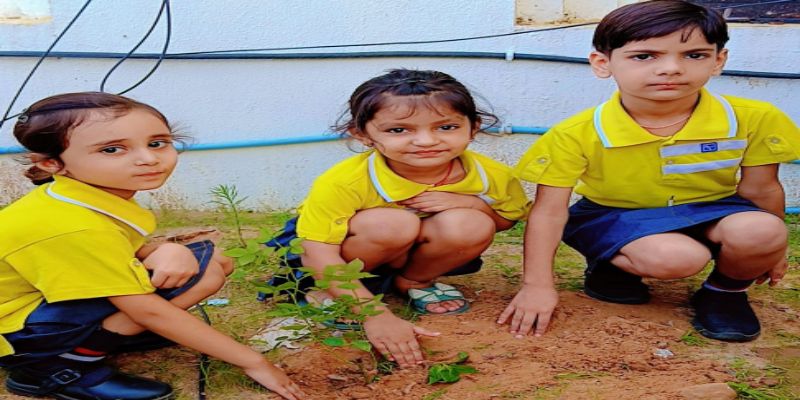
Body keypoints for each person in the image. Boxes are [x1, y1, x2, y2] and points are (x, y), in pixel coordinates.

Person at [500, 0, 800, 342]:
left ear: (718, 60)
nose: (671, 69)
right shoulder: (576, 133)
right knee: (676, 258)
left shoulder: (754, 118)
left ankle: (724, 293)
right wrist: (537, 286)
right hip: (615, 214)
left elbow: (761, 189)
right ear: (602, 63)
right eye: (644, 56)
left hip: (713, 209)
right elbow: (549, 212)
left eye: (694, 55)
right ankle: (610, 264)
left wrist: (773, 250)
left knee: (763, 230)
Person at [0, 92, 305, 400]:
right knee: (203, 275)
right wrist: (254, 361)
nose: (148, 158)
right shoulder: (73, 225)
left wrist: (169, 249)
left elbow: (117, 250)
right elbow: (148, 310)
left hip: (38, 304)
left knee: (212, 261)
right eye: (112, 149)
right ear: (52, 163)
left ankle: (105, 336)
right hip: (14, 332)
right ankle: (54, 366)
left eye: (157, 143)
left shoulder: (78, 197)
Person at [268, 69, 529, 368]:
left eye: (447, 127)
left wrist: (473, 204)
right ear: (362, 135)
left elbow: (506, 220)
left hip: (414, 252)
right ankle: (331, 292)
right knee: (394, 224)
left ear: (473, 127)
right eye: (398, 130)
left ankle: (415, 281)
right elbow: (315, 249)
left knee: (474, 222)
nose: (426, 141)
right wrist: (373, 314)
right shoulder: (344, 181)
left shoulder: (491, 175)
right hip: (337, 254)